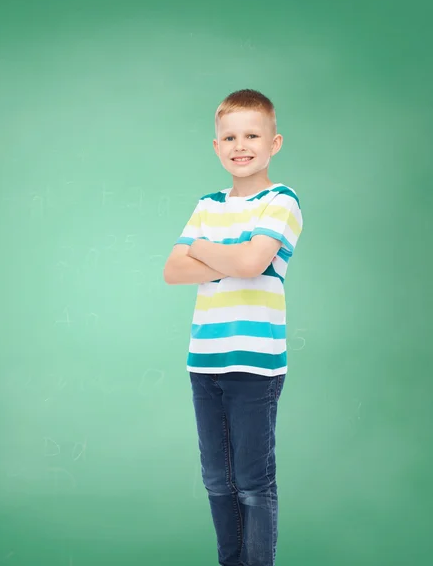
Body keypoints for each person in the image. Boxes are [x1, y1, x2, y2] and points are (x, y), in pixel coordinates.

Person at [163, 89, 304, 566]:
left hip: (256, 365)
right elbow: (172, 270)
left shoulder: (281, 202)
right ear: (216, 146)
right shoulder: (207, 204)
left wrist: (203, 249)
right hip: (204, 361)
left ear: (274, 142)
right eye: (229, 136)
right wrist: (233, 257)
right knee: (217, 480)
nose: (240, 145)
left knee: (252, 482)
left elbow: (251, 261)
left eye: (252, 135)